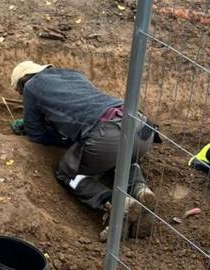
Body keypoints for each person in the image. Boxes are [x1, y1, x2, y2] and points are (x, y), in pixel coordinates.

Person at [10, 60, 159, 237]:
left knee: (68, 174)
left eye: (20, 92)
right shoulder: (74, 74)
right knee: (123, 159)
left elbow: (36, 135)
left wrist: (38, 129)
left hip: (109, 135)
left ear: (22, 82)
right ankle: (140, 190)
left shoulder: (31, 87)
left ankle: (117, 203)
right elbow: (84, 107)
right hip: (141, 127)